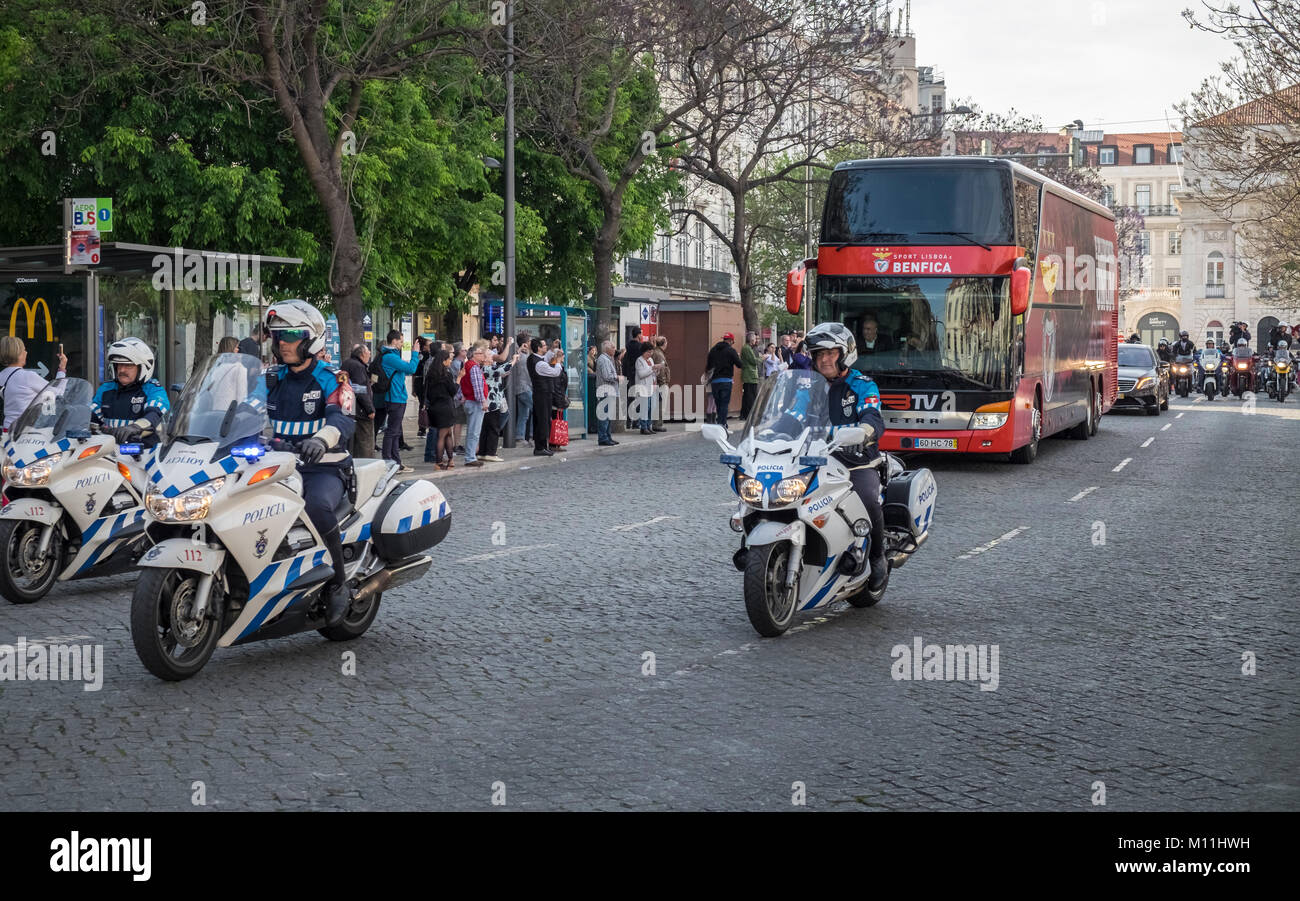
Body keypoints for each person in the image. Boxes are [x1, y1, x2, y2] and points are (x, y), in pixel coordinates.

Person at [262, 300, 356, 627]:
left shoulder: (332, 379)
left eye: (290, 335)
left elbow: (343, 419)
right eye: (277, 336)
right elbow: (240, 409)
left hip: (324, 468)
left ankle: (337, 582)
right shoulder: (270, 378)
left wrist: (321, 439)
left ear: (312, 339)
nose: (283, 342)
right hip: (277, 467)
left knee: (315, 507)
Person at [806, 321, 888, 591]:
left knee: (867, 499)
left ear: (844, 354)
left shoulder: (863, 385)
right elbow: (791, 417)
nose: (824, 359)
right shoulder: (809, 388)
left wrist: (864, 431)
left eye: (830, 353)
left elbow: (873, 416)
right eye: (819, 354)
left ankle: (878, 558)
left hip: (857, 462)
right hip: (816, 461)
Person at [90, 338, 170, 447]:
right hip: (110, 451)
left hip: (143, 452)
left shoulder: (153, 389)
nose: (122, 370)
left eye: (128, 365)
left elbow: (154, 414)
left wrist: (135, 427)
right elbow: (91, 417)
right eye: (119, 365)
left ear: (142, 368)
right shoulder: (105, 389)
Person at [0, 336, 67, 433]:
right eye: (24, 350)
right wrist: (62, 368)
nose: (26, 352)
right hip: (24, 433)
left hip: (7, 431)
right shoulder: (27, 377)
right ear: (18, 353)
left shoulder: (2, 375)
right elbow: (58, 394)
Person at [377, 330, 417, 472]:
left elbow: (404, 371)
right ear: (394, 341)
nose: (402, 343)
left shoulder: (392, 356)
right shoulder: (390, 357)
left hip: (397, 396)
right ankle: (388, 461)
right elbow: (411, 368)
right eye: (400, 341)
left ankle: (396, 462)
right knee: (392, 431)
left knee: (394, 432)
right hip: (394, 397)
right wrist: (415, 353)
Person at [479, 339, 518, 462]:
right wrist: (513, 361)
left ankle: (483, 452)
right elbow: (500, 370)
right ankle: (490, 452)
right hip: (492, 403)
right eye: (490, 356)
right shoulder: (486, 369)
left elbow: (499, 371)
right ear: (485, 359)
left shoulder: (487, 369)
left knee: (487, 428)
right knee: (493, 427)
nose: (492, 358)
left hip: (492, 402)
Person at [527, 337, 562, 456]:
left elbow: (546, 358)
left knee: (541, 420)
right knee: (543, 421)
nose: (546, 346)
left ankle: (542, 446)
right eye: (544, 345)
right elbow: (555, 372)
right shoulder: (539, 364)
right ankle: (540, 447)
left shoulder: (535, 358)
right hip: (542, 394)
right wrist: (558, 361)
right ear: (538, 348)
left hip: (541, 393)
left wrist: (553, 349)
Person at [341, 343, 376, 459]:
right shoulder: (358, 366)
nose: (370, 355)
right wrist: (369, 409)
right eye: (368, 353)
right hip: (360, 410)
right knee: (364, 441)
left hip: (348, 407)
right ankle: (365, 466)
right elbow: (360, 390)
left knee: (351, 442)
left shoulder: (347, 363)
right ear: (362, 354)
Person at [423, 349, 457, 468]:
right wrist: (458, 380)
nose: (450, 362)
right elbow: (453, 391)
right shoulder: (446, 374)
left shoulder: (430, 375)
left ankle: (451, 460)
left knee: (447, 434)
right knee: (443, 435)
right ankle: (439, 462)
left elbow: (426, 392)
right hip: (445, 407)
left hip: (434, 407)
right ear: (443, 361)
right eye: (449, 360)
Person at [460, 341, 489, 467]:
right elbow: (478, 388)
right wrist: (483, 401)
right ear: (474, 355)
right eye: (481, 353)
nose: (484, 356)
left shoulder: (467, 365)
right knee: (474, 431)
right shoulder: (474, 367)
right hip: (474, 402)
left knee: (472, 430)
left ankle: (470, 455)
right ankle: (470, 457)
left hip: (469, 400)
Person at [705, 332, 744, 427]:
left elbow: (708, 366)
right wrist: (737, 357)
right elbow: (740, 365)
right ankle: (722, 424)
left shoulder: (713, 350)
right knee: (724, 404)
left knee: (718, 404)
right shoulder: (731, 350)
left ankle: (720, 423)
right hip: (726, 381)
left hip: (715, 381)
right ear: (730, 341)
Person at [633, 343, 662, 434]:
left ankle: (649, 426)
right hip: (643, 387)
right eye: (649, 352)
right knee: (645, 407)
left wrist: (657, 370)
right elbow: (641, 374)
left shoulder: (650, 360)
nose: (650, 354)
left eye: (651, 352)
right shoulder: (639, 361)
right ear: (644, 351)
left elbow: (653, 374)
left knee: (651, 407)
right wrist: (652, 368)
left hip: (652, 387)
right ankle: (643, 427)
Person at [595, 340, 620, 446]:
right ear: (607, 349)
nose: (615, 349)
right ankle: (603, 438)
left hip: (610, 391)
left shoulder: (608, 359)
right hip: (605, 391)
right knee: (604, 416)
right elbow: (606, 376)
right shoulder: (604, 360)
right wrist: (617, 377)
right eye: (613, 347)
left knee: (608, 416)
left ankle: (608, 436)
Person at [622, 327, 645, 428]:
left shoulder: (628, 347)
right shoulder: (640, 347)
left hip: (629, 375)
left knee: (630, 399)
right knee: (638, 399)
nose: (642, 336)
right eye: (641, 334)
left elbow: (625, 361)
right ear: (639, 335)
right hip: (637, 375)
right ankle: (636, 422)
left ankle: (628, 421)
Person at [739, 332, 760, 419]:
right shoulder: (747, 348)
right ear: (751, 340)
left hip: (750, 376)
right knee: (750, 396)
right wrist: (763, 358)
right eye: (755, 339)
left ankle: (744, 414)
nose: (756, 341)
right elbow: (753, 361)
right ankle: (749, 415)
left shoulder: (748, 348)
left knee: (748, 396)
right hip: (749, 376)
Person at [413, 336, 431, 439]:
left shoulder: (417, 356)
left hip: (418, 382)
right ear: (424, 346)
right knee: (424, 404)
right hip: (422, 382)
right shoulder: (427, 356)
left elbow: (414, 373)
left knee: (422, 404)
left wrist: (413, 388)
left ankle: (422, 428)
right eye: (429, 345)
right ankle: (423, 427)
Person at [652, 335, 670, 431]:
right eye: (666, 342)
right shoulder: (659, 354)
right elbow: (661, 369)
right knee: (661, 405)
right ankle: (658, 424)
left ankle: (657, 423)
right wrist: (663, 382)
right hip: (661, 384)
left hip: (658, 383)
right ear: (663, 343)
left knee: (659, 404)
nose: (667, 344)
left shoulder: (657, 352)